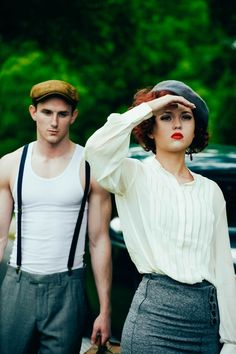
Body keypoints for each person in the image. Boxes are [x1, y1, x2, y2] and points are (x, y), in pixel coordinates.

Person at [84, 80, 236, 354]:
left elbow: (224, 270)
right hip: (154, 320)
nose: (177, 125)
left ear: (195, 130)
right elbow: (96, 149)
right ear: (151, 130)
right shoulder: (132, 175)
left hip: (206, 324)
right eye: (166, 117)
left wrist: (232, 340)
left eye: (186, 117)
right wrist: (149, 106)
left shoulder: (210, 191)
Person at [0, 80, 112, 354]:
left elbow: (99, 241)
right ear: (33, 112)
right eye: (47, 112)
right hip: (17, 286)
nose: (54, 122)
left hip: (68, 289)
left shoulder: (91, 168)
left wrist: (105, 310)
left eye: (62, 114)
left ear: (73, 116)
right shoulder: (11, 164)